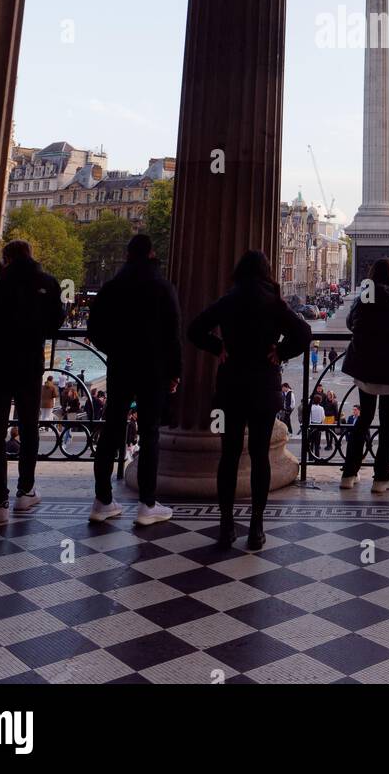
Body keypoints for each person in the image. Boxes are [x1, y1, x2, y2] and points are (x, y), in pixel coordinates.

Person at [189, 250, 310, 550]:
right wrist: (280, 353)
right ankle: (256, 527)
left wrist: (218, 346)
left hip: (230, 386)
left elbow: (194, 330)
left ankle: (226, 525)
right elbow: (304, 333)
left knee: (228, 456)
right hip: (263, 388)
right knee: (259, 457)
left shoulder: (229, 299)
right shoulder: (274, 302)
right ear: (267, 272)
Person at [87, 233, 182, 525]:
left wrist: (114, 349)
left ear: (128, 255)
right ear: (152, 253)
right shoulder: (162, 286)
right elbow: (173, 332)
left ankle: (102, 500)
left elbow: (95, 328)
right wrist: (175, 370)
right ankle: (147, 504)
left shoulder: (113, 287)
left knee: (112, 428)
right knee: (150, 432)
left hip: (121, 364)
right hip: (153, 367)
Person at [0, 240, 63, 523]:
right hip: (30, 364)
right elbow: (55, 321)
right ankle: (26, 490)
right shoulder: (47, 282)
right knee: (29, 426)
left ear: (7, 259)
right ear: (30, 255)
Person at [339, 258, 389, 494]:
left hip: (365, 363)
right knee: (386, 423)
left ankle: (349, 474)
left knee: (363, 420)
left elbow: (351, 322)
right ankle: (381, 479)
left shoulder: (365, 295)